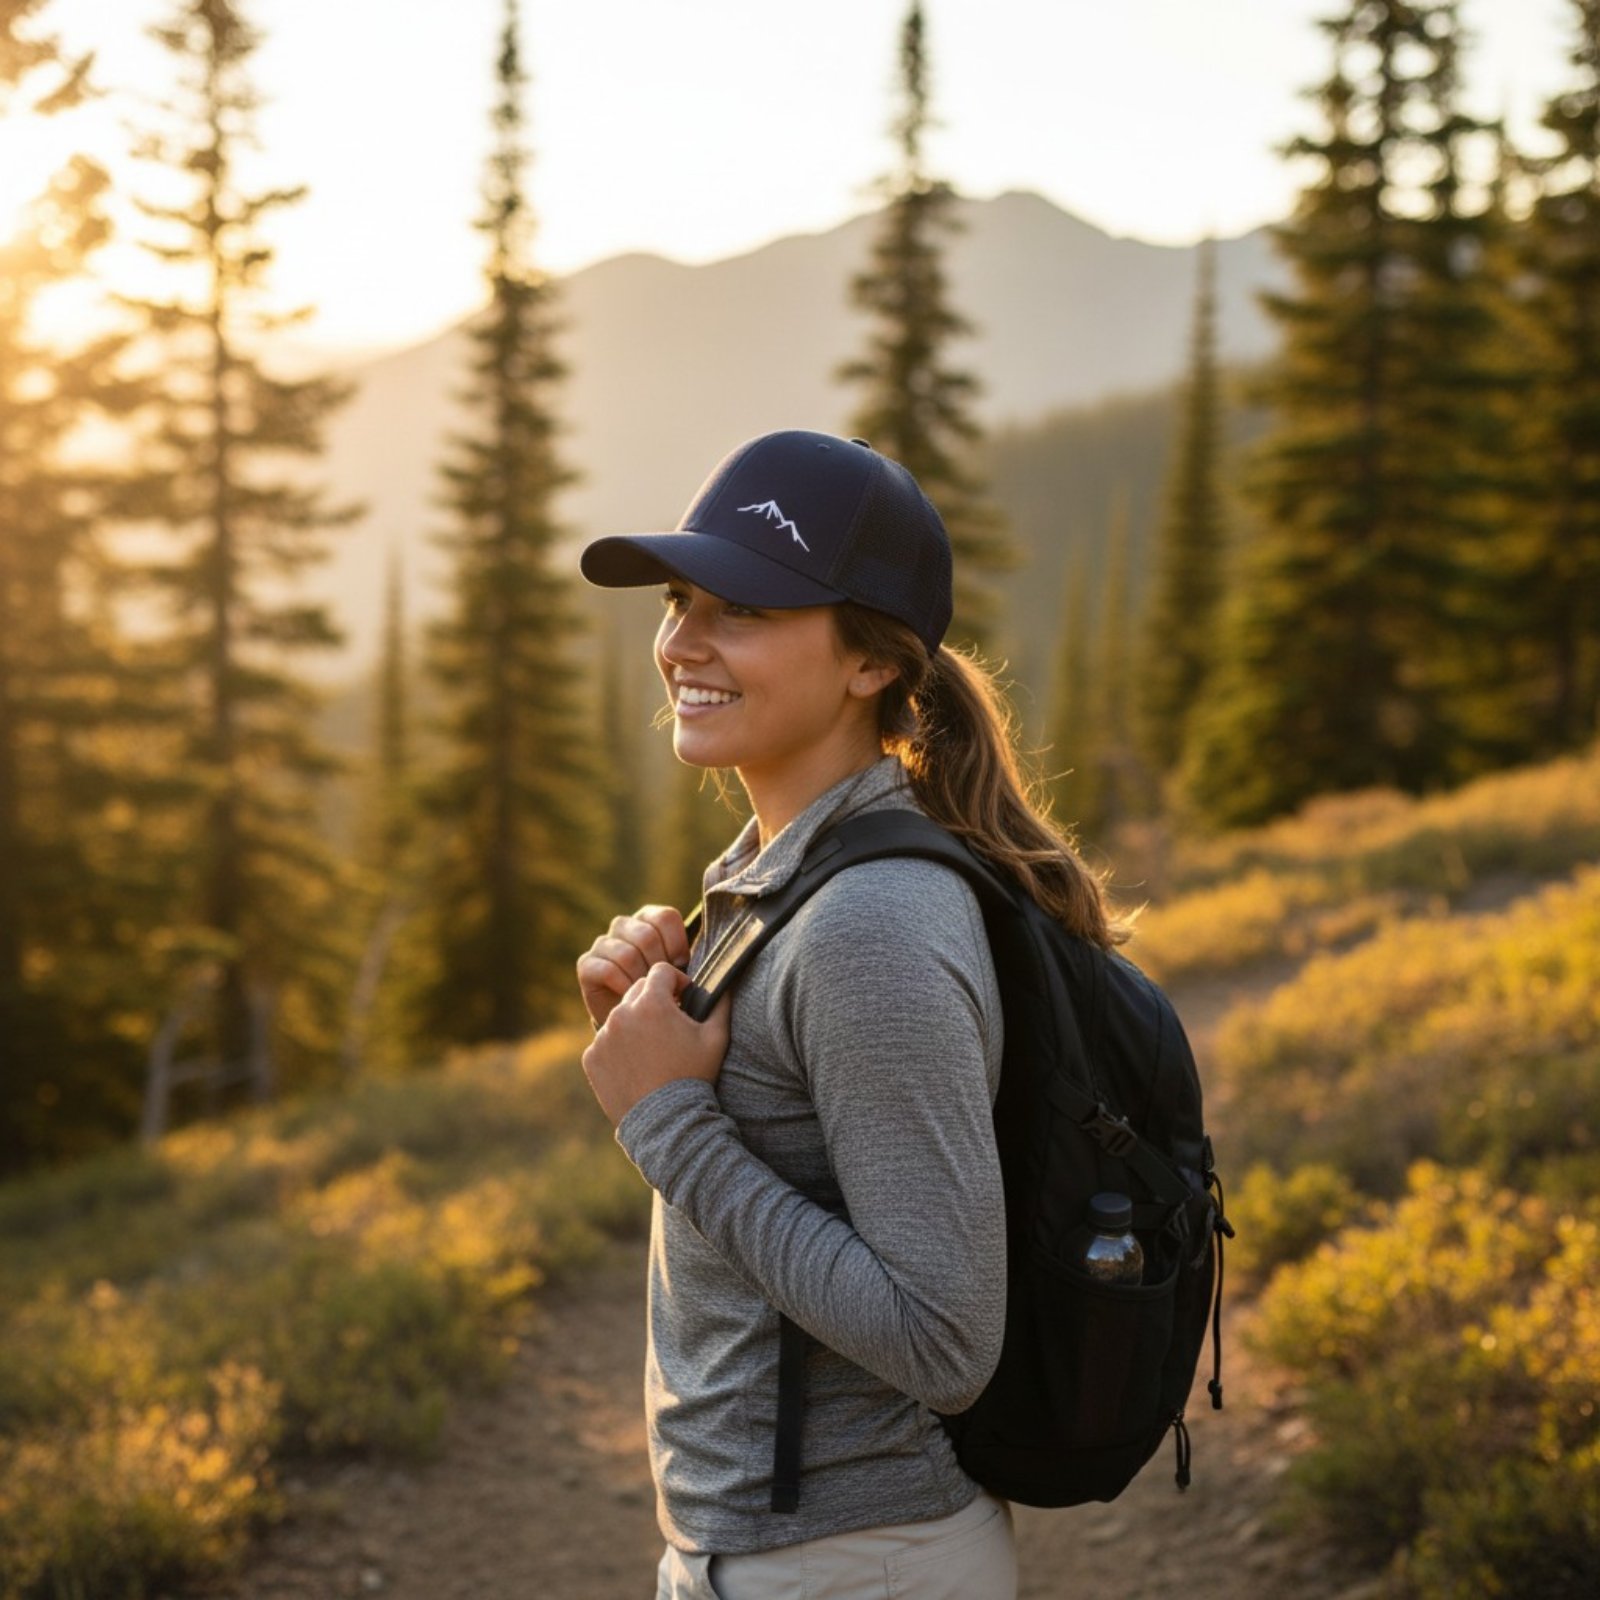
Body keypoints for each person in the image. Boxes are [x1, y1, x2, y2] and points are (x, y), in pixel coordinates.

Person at [574, 430, 1125, 1600]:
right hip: (775, 1555)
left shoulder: (869, 924)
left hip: (848, 1569)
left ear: (870, 661)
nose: (681, 643)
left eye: (744, 609)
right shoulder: (776, 878)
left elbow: (943, 1340)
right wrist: (656, 1041)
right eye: (680, 600)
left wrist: (669, 1122)